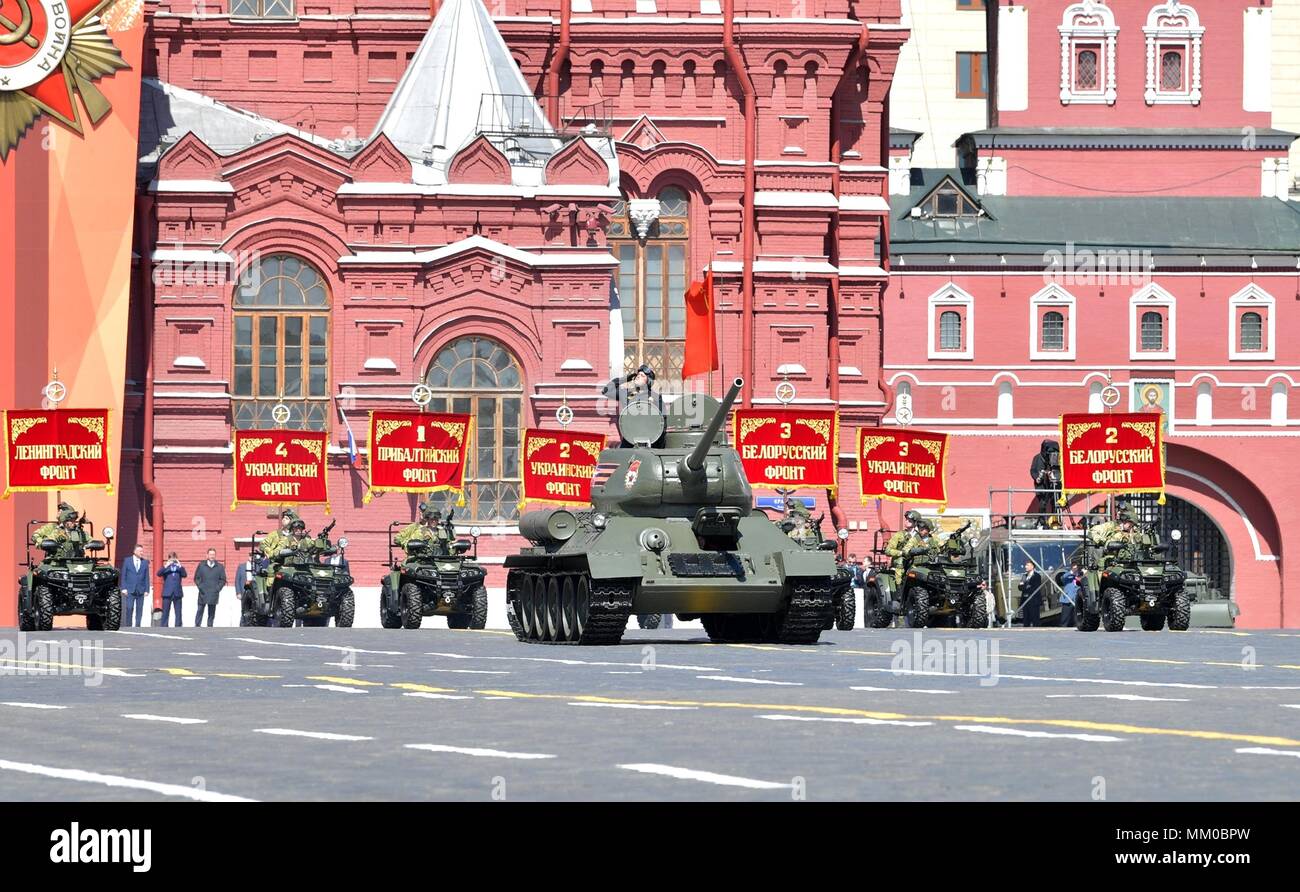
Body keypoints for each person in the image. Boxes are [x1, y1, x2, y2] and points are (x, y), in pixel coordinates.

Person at [601, 364, 666, 447]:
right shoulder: (626, 393)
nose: (638, 376)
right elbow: (606, 391)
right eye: (638, 375)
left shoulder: (655, 397)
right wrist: (626, 378)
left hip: (649, 441)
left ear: (648, 381)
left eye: (642, 375)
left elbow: (663, 419)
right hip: (629, 439)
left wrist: (660, 444)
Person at [1029, 439, 1062, 529]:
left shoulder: (1056, 459)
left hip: (1053, 485)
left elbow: (1059, 470)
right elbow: (1032, 470)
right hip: (1042, 485)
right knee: (1042, 503)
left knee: (1055, 503)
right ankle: (1042, 522)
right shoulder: (1037, 458)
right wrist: (1037, 478)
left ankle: (1055, 521)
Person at [884, 510, 922, 586]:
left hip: (915, 562)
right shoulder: (899, 535)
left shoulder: (919, 536)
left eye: (910, 520)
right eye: (906, 519)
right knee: (900, 561)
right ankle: (899, 586)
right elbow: (888, 550)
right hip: (900, 561)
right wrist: (901, 553)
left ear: (915, 523)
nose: (907, 521)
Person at [194, 548, 227, 627]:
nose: (212, 556)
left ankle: (210, 627)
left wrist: (217, 588)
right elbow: (196, 578)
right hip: (203, 593)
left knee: (211, 612)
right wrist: (201, 587)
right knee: (200, 610)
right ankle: (197, 626)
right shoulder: (201, 565)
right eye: (210, 554)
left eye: (213, 554)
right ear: (207, 555)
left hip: (213, 593)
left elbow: (223, 580)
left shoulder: (219, 567)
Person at [120, 543, 150, 627]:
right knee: (129, 608)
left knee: (139, 609)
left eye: (142, 551)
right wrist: (123, 588)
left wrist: (147, 590)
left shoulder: (144, 562)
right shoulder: (127, 561)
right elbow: (124, 575)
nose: (142, 553)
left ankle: (138, 626)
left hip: (141, 589)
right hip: (130, 589)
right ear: (135, 551)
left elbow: (147, 577)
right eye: (140, 551)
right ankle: (129, 625)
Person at [156, 551, 187, 627]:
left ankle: (178, 626)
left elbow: (184, 575)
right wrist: (166, 565)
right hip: (167, 593)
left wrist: (179, 565)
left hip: (177, 592)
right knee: (166, 612)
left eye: (174, 558)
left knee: (178, 612)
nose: (172, 560)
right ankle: (164, 626)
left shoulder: (179, 568)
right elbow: (158, 573)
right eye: (171, 558)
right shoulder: (166, 568)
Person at [1018, 560, 1043, 628]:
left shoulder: (1037, 576)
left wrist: (1025, 586)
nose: (1026, 567)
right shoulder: (1024, 576)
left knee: (1035, 619)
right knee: (1026, 620)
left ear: (1032, 566)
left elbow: (1034, 587)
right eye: (1026, 565)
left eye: (1027, 565)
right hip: (1025, 600)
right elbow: (1020, 587)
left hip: (1033, 600)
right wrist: (1026, 586)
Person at [1060, 562, 1084, 628]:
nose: (1075, 568)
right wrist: (1072, 572)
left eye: (1076, 567)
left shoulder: (1082, 575)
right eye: (1074, 566)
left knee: (1077, 619)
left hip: (1077, 600)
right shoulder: (1068, 576)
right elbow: (1062, 578)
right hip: (1068, 600)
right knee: (1065, 619)